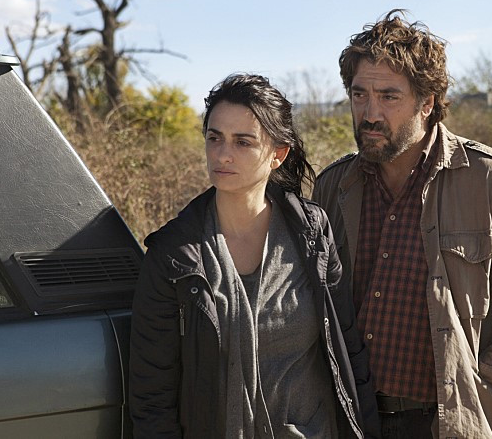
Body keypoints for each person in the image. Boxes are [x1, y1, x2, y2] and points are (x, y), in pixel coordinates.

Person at [312, 10, 492, 439]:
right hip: (351, 418)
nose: (370, 113)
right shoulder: (334, 187)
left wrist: (491, 387)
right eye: (359, 95)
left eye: (389, 97)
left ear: (427, 103)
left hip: (448, 422)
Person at [129, 74, 380, 438]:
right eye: (214, 138)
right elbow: (152, 393)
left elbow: (347, 350)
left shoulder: (312, 233)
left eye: (243, 142)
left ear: (278, 154)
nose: (222, 154)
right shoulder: (175, 254)